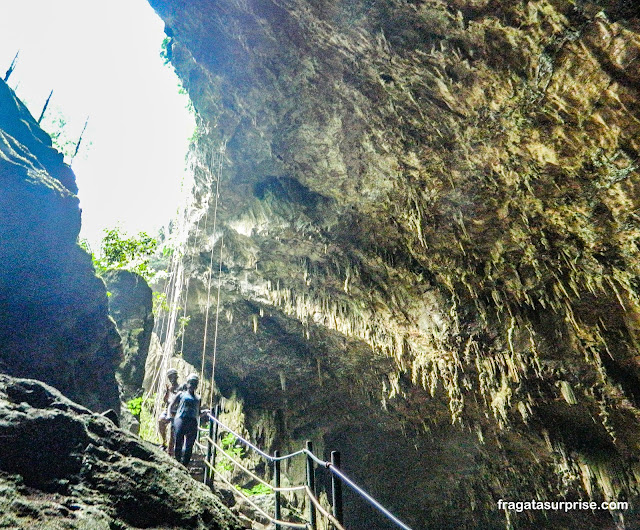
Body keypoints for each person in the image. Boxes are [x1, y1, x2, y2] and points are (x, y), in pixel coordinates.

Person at [170, 373, 201, 467]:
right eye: (191, 383)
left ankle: (184, 465)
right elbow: (171, 405)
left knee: (189, 445)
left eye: (195, 383)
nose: (192, 385)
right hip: (180, 419)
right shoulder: (181, 394)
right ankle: (177, 461)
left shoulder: (198, 398)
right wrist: (169, 414)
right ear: (187, 384)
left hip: (192, 421)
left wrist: (205, 412)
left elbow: (198, 412)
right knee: (178, 441)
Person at [158, 368, 181, 454]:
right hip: (168, 410)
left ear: (176, 377)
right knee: (161, 420)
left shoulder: (181, 388)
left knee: (173, 433)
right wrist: (167, 391)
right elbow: (165, 400)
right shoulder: (168, 388)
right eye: (170, 377)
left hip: (176, 413)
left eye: (173, 377)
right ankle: (164, 441)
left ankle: (170, 452)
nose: (172, 379)